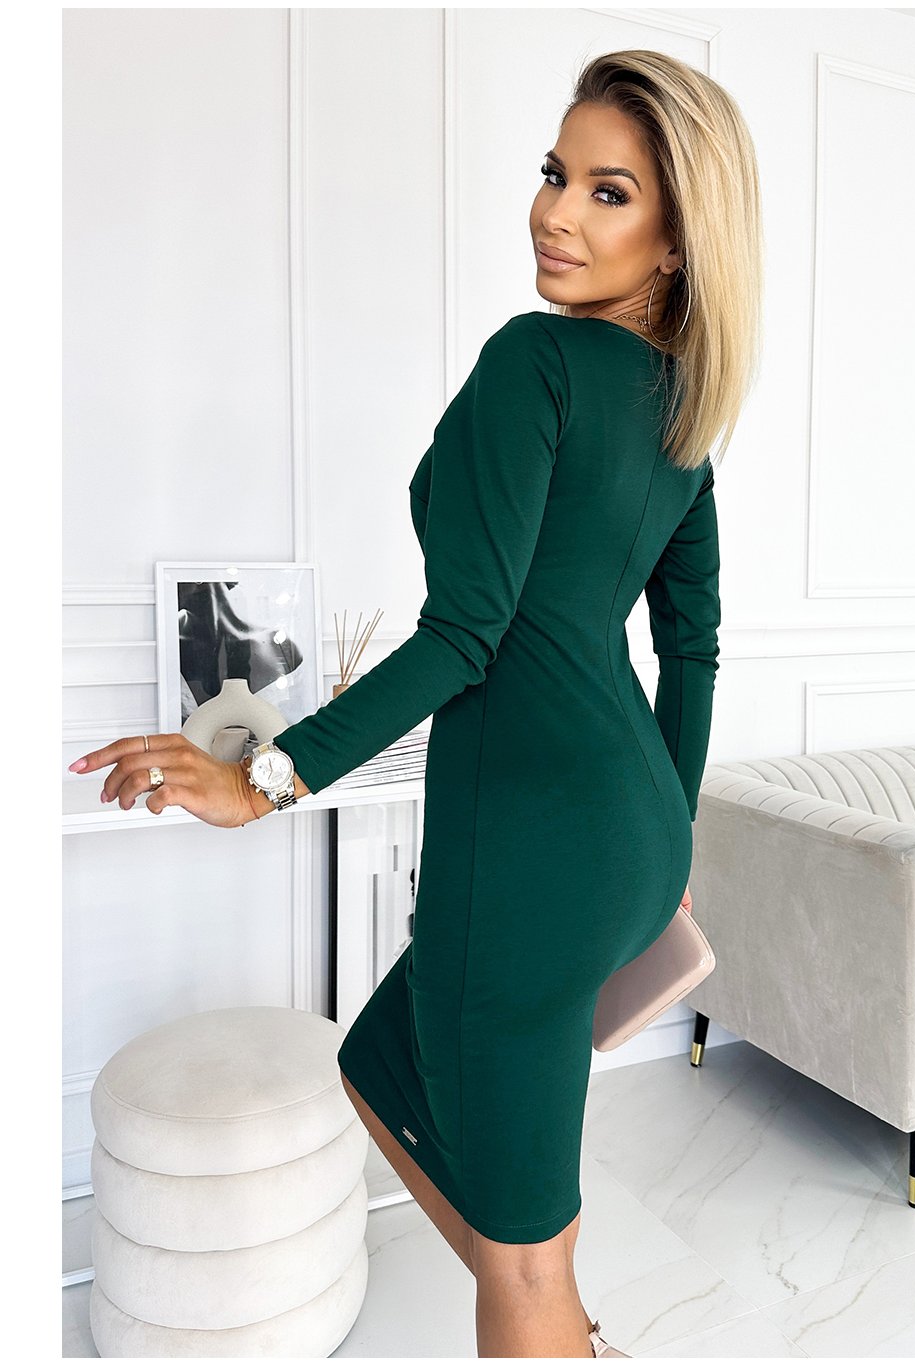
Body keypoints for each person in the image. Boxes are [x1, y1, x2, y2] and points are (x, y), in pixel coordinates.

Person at [69, 49, 763, 1360]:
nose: (556, 212)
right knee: (383, 1064)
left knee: (525, 1260)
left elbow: (462, 638)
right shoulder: (683, 416)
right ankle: (562, 1321)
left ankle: (550, 1318)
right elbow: (695, 648)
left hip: (527, 851)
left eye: (608, 192)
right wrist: (672, 839)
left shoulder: (535, 363)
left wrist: (263, 777)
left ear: (677, 243)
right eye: (555, 174)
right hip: (632, 837)